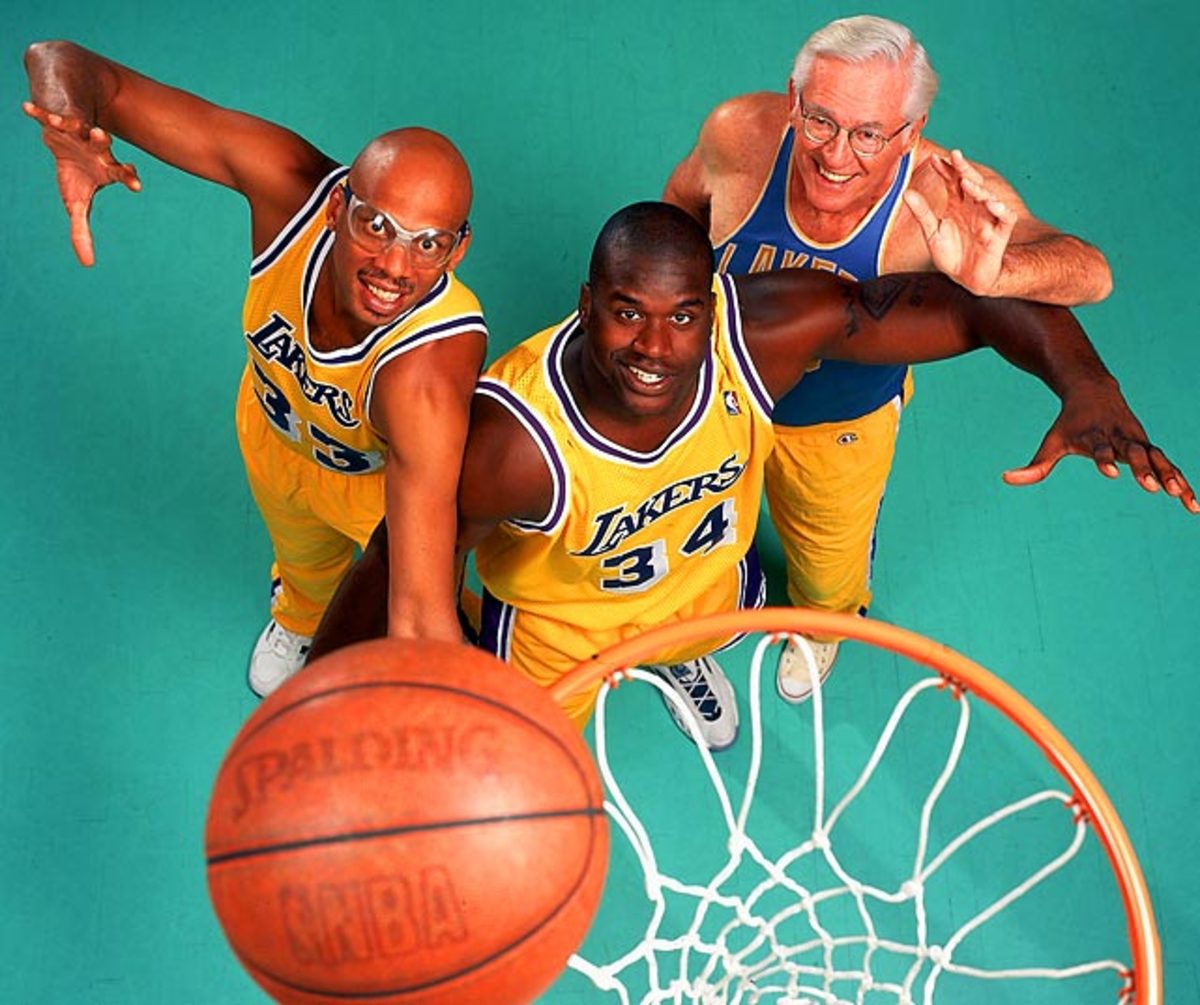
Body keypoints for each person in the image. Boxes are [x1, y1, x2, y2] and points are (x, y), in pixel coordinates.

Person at [309, 202, 1194, 750]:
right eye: (627, 314)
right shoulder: (513, 443)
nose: (655, 347)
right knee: (528, 755)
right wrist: (316, 710)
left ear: (712, 308)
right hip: (557, 633)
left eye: (682, 316)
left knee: (702, 633)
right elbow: (398, 554)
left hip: (704, 593)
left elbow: (966, 300)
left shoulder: (760, 334)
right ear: (588, 307)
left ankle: (678, 665)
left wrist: (1086, 381)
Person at [663, 14, 1117, 702]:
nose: (837, 155)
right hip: (712, 395)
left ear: (911, 129)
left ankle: (823, 627)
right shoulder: (741, 134)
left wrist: (997, 277)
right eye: (820, 120)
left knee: (826, 561)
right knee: (686, 527)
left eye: (869, 133)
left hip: (837, 426)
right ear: (793, 99)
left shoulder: (938, 195)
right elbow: (677, 207)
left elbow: (1092, 272)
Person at [23, 40, 488, 696]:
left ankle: (470, 648)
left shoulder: (426, 373)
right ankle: (298, 615)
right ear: (336, 208)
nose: (395, 265)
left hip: (377, 480)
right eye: (376, 225)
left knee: (427, 596)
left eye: (428, 244)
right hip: (272, 433)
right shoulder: (288, 188)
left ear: (456, 251)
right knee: (304, 567)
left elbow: (417, 616)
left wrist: (450, 708)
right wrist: (67, 119)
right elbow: (63, 61)